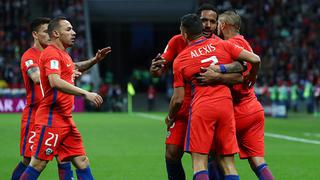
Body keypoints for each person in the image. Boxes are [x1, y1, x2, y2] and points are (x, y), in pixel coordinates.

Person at [150, 4, 244, 180]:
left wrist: (218, 77)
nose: (208, 25)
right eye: (204, 20)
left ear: (217, 25)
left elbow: (240, 77)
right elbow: (159, 68)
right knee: (171, 153)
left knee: (214, 157)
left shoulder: (221, 44)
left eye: (212, 21)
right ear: (196, 23)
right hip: (184, 109)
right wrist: (155, 70)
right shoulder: (177, 41)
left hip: (210, 105)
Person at [168, 14, 260, 180]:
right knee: (228, 164)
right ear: (201, 30)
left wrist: (170, 117)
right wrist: (251, 75)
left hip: (202, 108)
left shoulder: (181, 59)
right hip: (226, 108)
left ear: (184, 34)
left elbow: (178, 99)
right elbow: (254, 59)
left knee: (199, 163)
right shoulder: (221, 44)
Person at [20, 16, 110, 180]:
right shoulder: (51, 54)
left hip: (65, 119)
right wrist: (85, 93)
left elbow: (73, 67)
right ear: (56, 33)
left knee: (81, 161)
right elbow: (54, 81)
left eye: (73, 29)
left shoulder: (63, 55)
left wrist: (95, 60)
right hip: (51, 119)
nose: (74, 33)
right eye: (68, 29)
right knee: (37, 164)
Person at [197, 10, 274, 180]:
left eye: (217, 24)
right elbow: (254, 62)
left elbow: (239, 73)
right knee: (257, 161)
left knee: (216, 155)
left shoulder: (231, 45)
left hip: (237, 110)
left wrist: (217, 73)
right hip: (254, 108)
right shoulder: (245, 43)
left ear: (223, 25)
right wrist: (253, 74)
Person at [11, 17, 75, 180]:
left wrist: (93, 61)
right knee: (29, 160)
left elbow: (71, 68)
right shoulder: (29, 56)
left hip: (56, 115)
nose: (49, 35)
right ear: (35, 34)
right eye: (45, 32)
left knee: (64, 158)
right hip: (35, 115)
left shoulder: (53, 54)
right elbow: (37, 77)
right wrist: (56, 77)